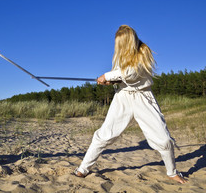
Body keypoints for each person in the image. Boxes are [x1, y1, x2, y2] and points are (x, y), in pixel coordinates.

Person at [74, 25, 187, 184]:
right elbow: (121, 77)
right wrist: (110, 81)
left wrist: (106, 75)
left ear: (129, 41)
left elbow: (131, 72)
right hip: (123, 97)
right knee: (104, 135)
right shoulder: (120, 56)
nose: (118, 47)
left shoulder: (143, 52)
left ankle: (172, 172)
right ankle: (83, 169)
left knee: (164, 139)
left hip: (143, 98)